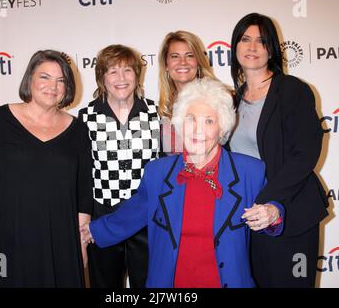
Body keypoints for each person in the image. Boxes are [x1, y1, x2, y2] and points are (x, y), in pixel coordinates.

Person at [81, 78, 283, 288]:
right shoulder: (157, 172)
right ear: (179, 123)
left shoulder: (250, 171)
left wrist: (273, 213)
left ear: (222, 127)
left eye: (209, 121)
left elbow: (273, 208)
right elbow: (131, 215)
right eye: (191, 119)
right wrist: (90, 232)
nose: (198, 130)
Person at [0, 50, 91, 287]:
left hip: (55, 242)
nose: (52, 86)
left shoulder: (78, 131)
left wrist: (81, 244)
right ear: (29, 79)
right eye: (44, 77)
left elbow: (83, 193)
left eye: (60, 80)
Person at [229, 13, 329, 288]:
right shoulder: (232, 100)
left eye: (261, 41)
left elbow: (305, 154)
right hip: (251, 218)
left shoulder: (292, 90)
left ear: (271, 48)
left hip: (291, 213)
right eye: (245, 39)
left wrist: (270, 201)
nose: (252, 47)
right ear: (234, 45)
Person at [78, 44, 160, 288]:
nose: (121, 78)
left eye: (127, 70)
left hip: (147, 219)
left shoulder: (158, 114)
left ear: (138, 74)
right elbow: (81, 174)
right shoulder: (85, 118)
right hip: (103, 218)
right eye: (113, 71)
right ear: (102, 77)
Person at [158, 30, 215, 153]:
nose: (182, 62)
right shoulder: (164, 108)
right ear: (166, 65)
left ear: (198, 62)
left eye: (189, 55)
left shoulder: (217, 100)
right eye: (175, 56)